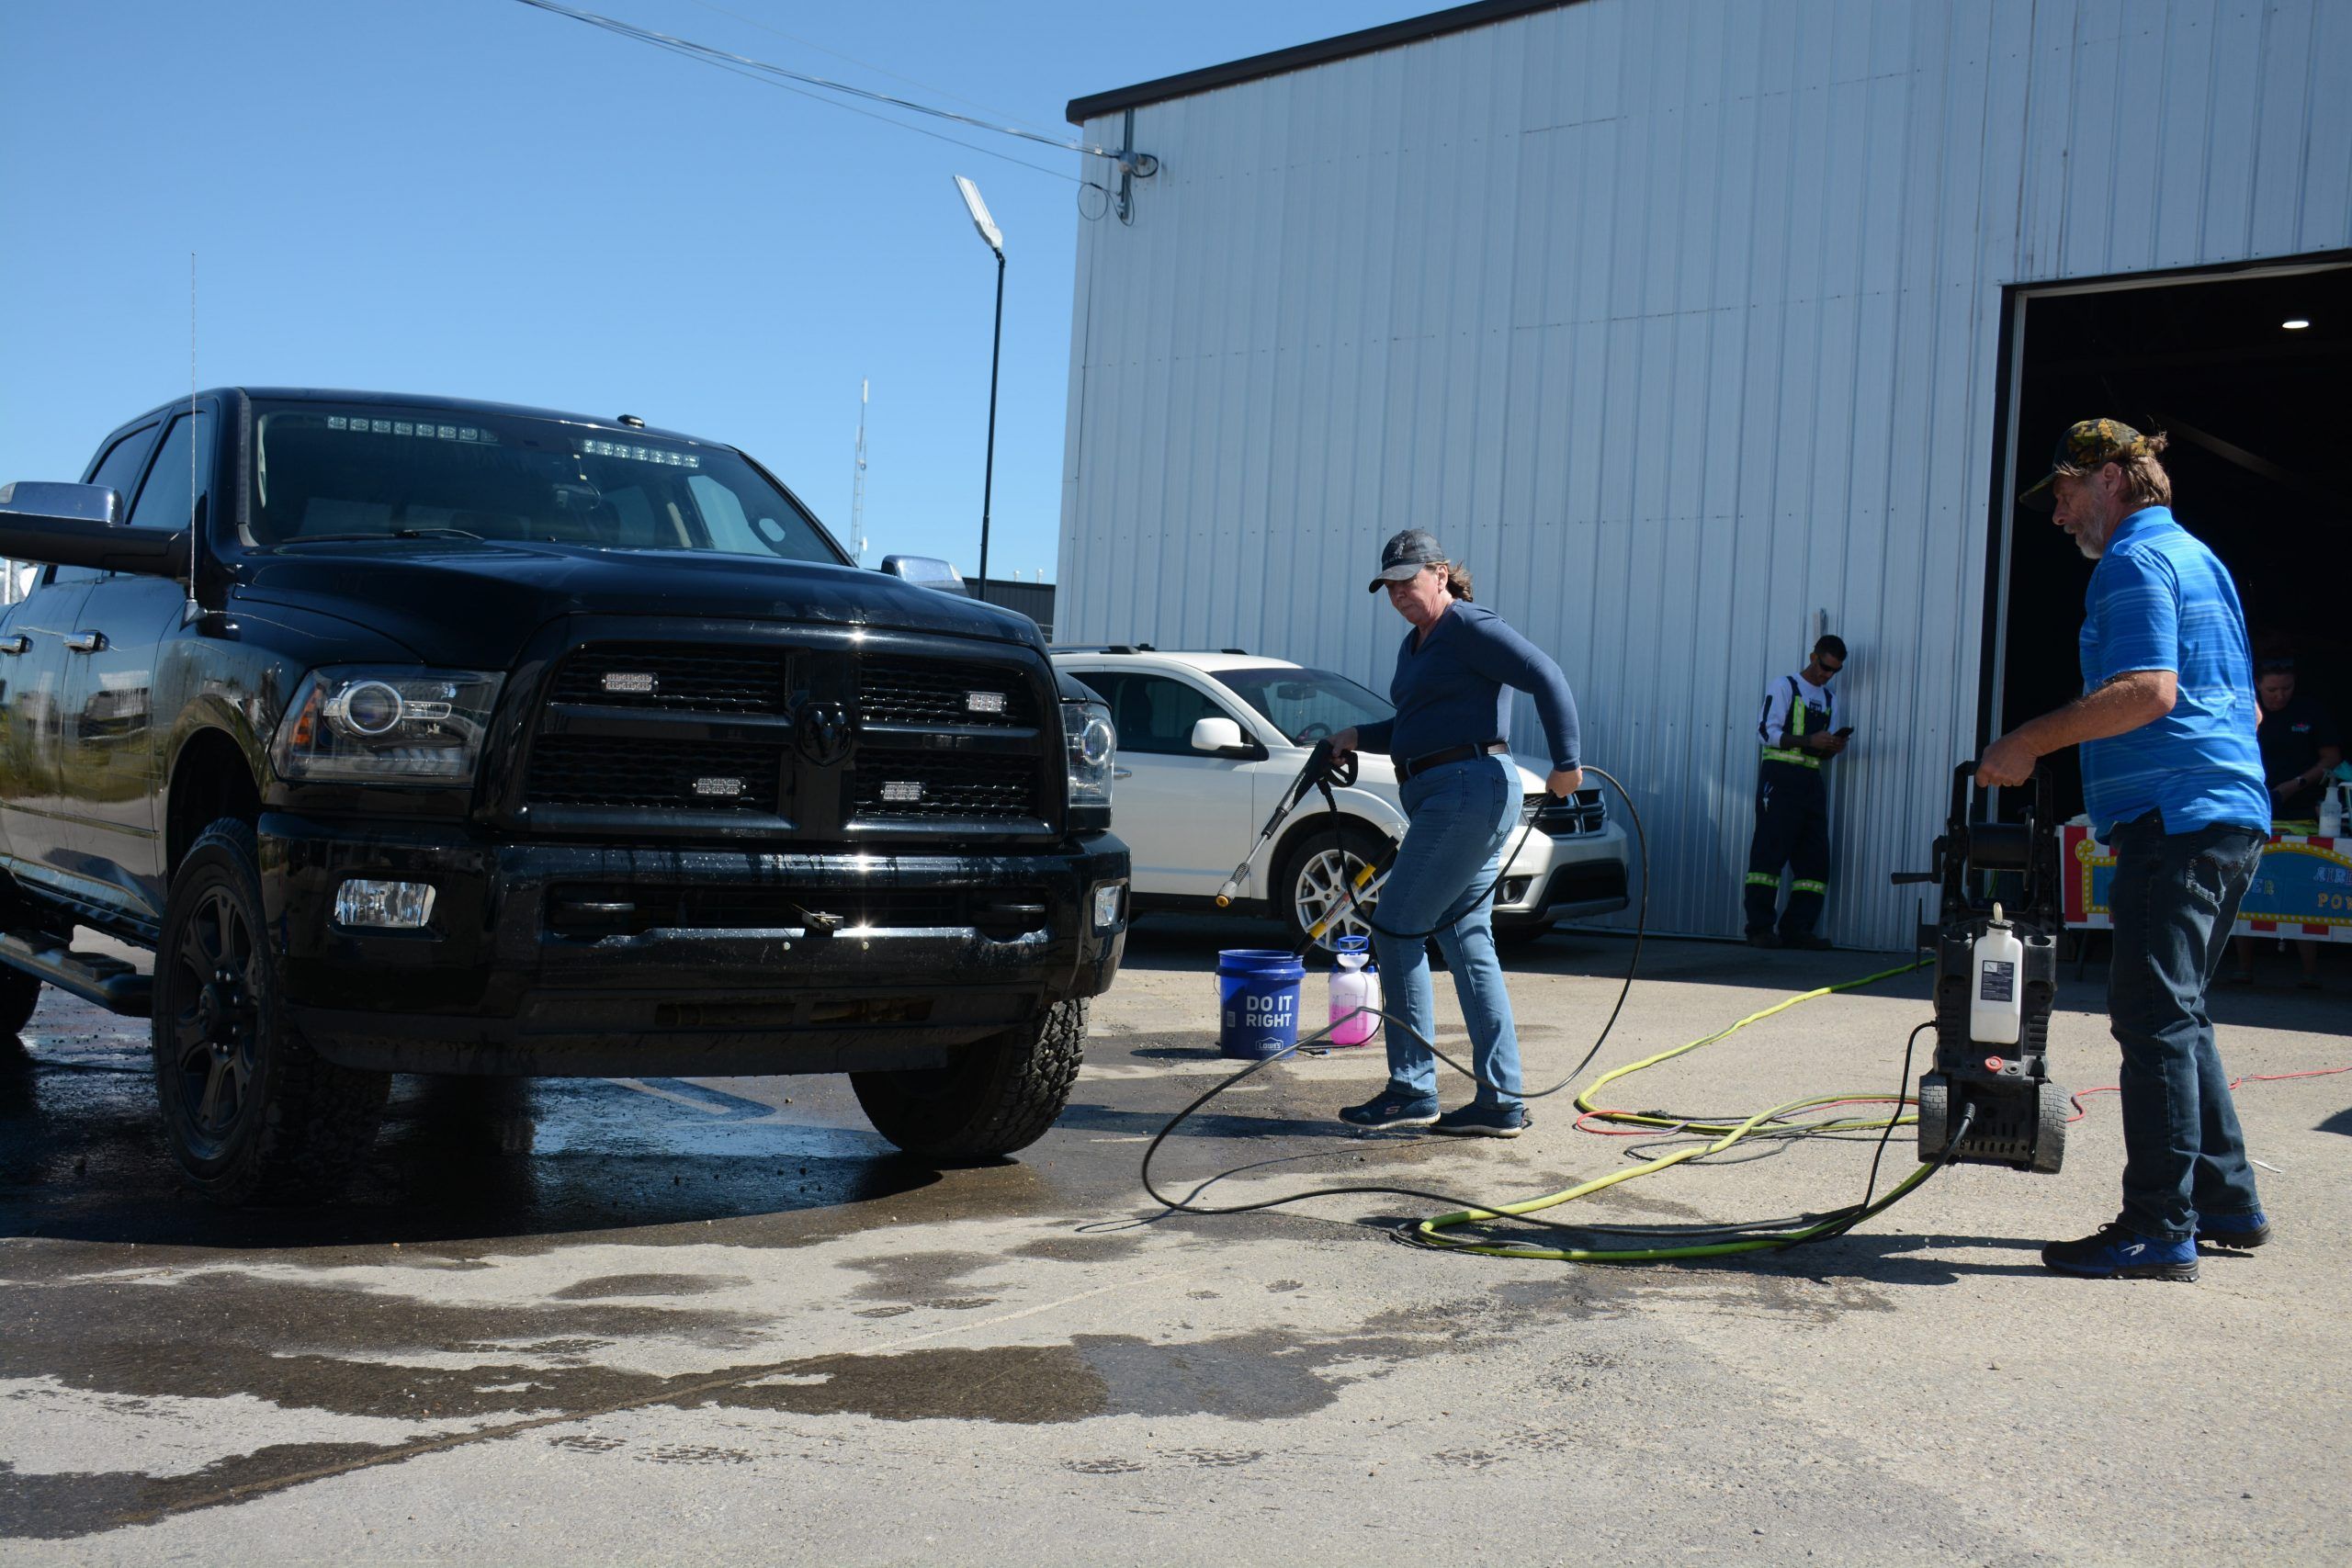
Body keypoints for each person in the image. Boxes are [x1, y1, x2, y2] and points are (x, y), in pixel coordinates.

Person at [1979, 419, 2270, 1281]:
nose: (2059, 516)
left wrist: (2030, 739)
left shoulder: (2133, 563)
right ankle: (2226, 1198)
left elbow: (2147, 690)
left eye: (2064, 494)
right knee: (2180, 1013)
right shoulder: (2199, 560)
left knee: (2151, 1018)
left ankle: (2158, 1225)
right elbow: (2244, 710)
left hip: (2173, 821)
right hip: (2224, 814)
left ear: (2109, 479)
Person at [1324, 528, 1582, 1137]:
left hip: (1467, 791)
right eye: (1389, 587)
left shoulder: (1469, 627)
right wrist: (1357, 736)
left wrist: (1566, 762)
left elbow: (1545, 674)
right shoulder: (1415, 645)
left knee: (1394, 926)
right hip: (1450, 792)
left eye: (1408, 582)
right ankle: (1500, 1101)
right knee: (1467, 940)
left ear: (1441, 574)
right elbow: (1416, 726)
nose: (1398, 595)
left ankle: (1412, 1088)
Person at [2228, 658, 2341, 987]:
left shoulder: (2310, 711)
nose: (2279, 696)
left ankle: (2308, 973)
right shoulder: (2242, 709)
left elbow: (2332, 758)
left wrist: (2296, 785)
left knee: (2301, 887)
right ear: (2257, 686)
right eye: (2272, 690)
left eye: (2286, 688)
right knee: (2245, 887)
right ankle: (2243, 968)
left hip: (2301, 813)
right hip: (2250, 810)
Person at [1742, 635, 1849, 950]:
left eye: (1834, 671)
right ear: (1813, 656)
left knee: (1815, 861)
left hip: (1811, 781)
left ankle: (1797, 929)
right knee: (1769, 853)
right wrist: (1809, 742)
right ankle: (1759, 929)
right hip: (1780, 778)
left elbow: (1822, 750)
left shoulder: (1831, 700)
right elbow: (1766, 732)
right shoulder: (1784, 686)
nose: (1827, 675)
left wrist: (1832, 747)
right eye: (1824, 666)